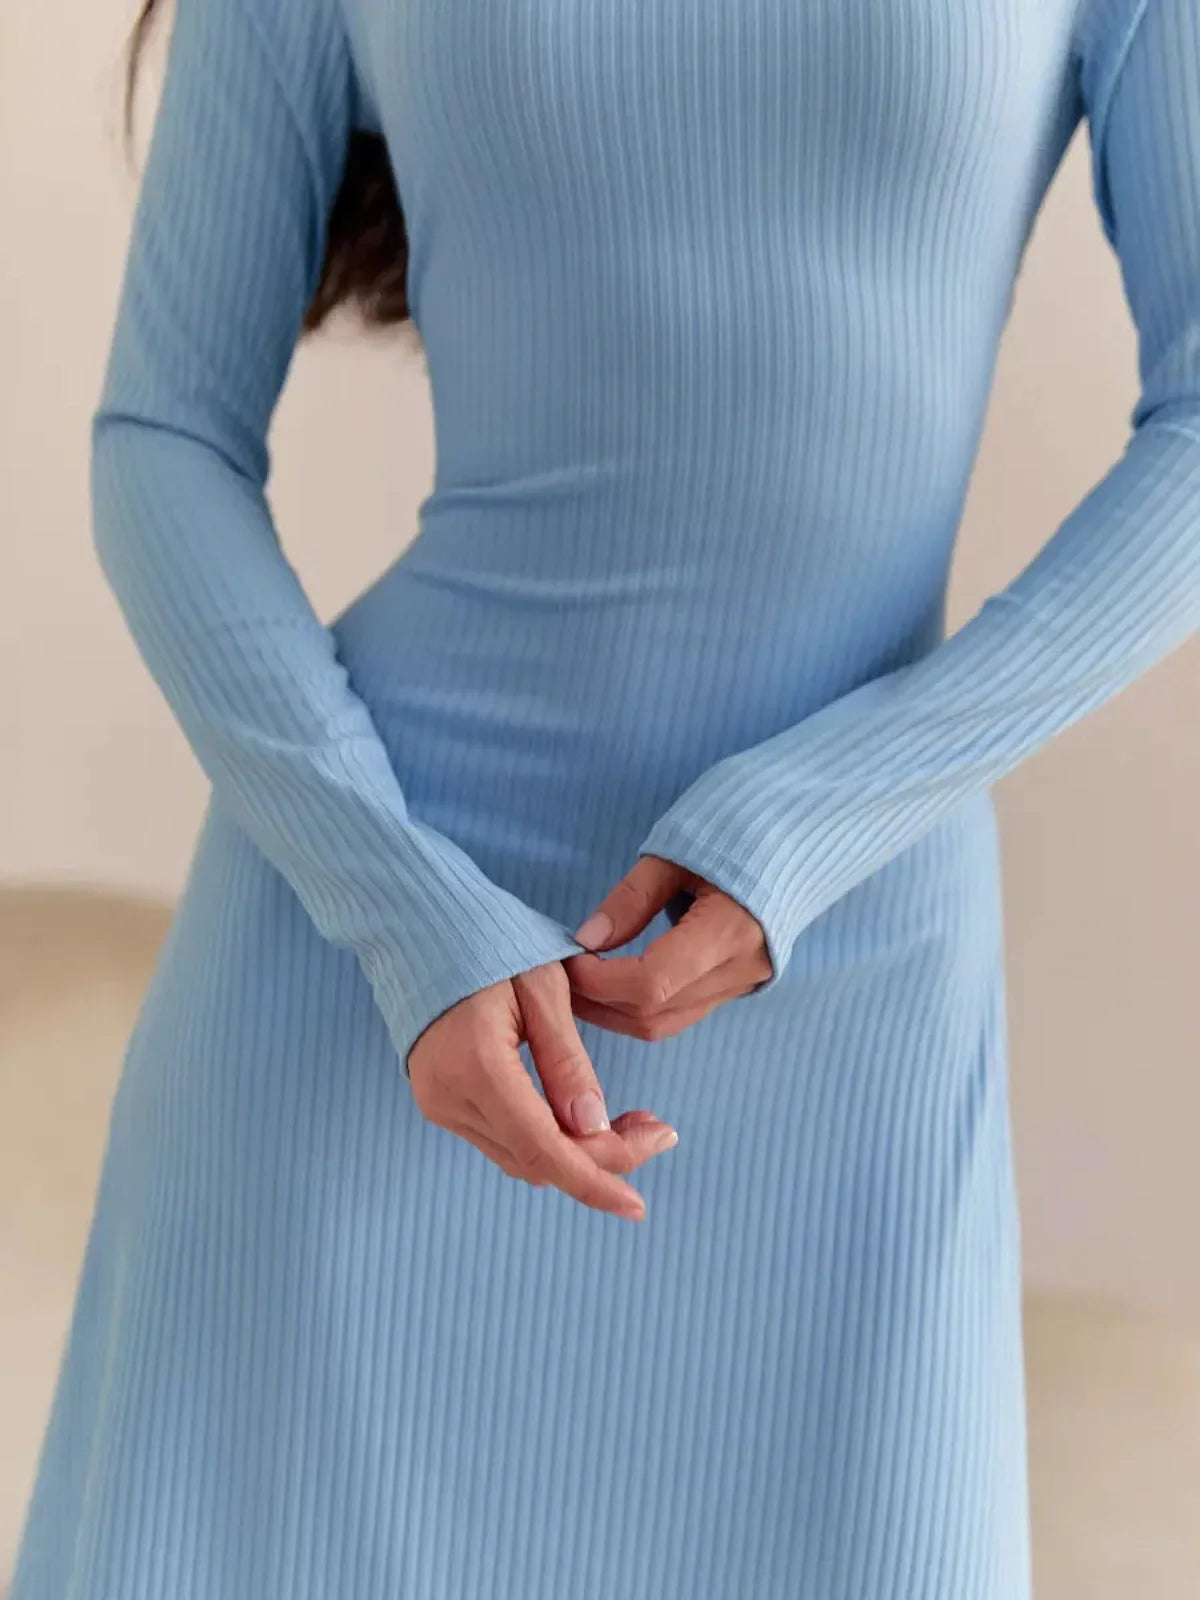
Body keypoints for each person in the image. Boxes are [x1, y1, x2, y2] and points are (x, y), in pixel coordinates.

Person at [13, 0, 1199, 1594]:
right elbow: (162, 436)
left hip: (849, 998)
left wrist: (826, 812)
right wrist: (404, 909)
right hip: (366, 987)